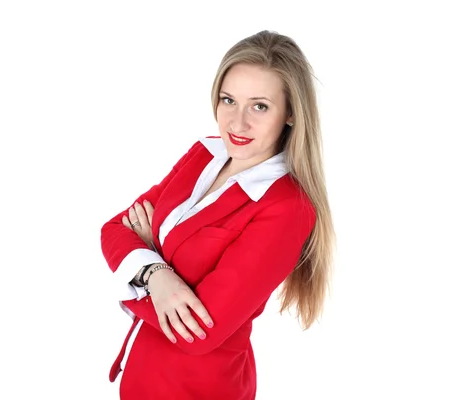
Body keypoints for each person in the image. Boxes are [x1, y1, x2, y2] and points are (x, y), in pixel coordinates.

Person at [100, 30, 335, 399]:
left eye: (259, 106)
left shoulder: (287, 208)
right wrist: (157, 275)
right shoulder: (204, 156)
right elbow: (114, 228)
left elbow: (200, 332)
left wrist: (134, 272)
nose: (236, 123)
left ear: (290, 113)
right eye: (229, 100)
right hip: (141, 380)